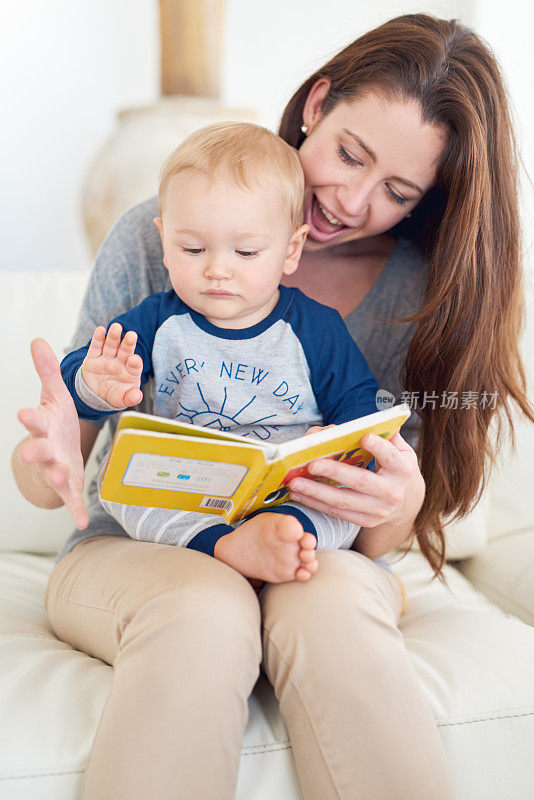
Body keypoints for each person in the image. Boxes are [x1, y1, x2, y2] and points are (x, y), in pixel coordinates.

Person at [12, 13, 534, 800]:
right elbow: (63, 437)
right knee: (206, 607)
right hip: (143, 550)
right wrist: (40, 457)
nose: (351, 199)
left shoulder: (416, 291)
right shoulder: (167, 237)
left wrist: (401, 495)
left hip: (317, 556)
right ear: (318, 103)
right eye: (350, 154)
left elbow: (374, 539)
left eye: (396, 191)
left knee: (331, 607)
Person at [60, 122, 381, 583]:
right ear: (164, 240)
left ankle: (285, 539)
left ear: (291, 250)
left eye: (246, 253)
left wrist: (342, 444)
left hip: (286, 493)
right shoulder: (158, 319)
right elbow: (81, 375)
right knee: (120, 483)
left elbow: (360, 406)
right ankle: (227, 546)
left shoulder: (318, 329)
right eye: (192, 248)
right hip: (190, 490)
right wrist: (96, 381)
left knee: (341, 507)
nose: (217, 270)